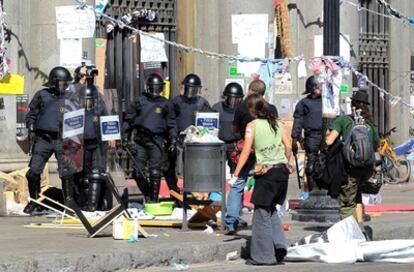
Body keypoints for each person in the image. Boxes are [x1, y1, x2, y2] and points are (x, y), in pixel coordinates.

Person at [232, 94, 292, 265]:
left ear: (252, 110)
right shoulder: (277, 123)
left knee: (261, 214)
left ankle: (264, 256)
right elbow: (288, 146)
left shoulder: (252, 126)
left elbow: (245, 152)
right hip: (282, 172)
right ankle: (279, 246)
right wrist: (286, 162)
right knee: (271, 209)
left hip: (266, 173)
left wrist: (236, 174)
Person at [225, 79, 278, 234]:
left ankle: (231, 221)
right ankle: (264, 220)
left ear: (249, 91)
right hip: (267, 151)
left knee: (238, 183)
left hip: (246, 150)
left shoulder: (242, 107)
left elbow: (234, 129)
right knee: (264, 185)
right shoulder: (272, 108)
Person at [325, 88, 380, 237]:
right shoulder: (369, 124)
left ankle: (351, 235)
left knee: (346, 202)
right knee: (357, 196)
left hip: (352, 167)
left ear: (352, 105)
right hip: (367, 168)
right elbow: (376, 146)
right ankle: (361, 230)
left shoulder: (344, 120)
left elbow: (329, 141)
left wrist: (326, 135)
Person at [24, 66, 75, 214]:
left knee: (66, 172)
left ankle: (69, 204)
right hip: (44, 139)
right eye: (62, 82)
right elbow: (31, 114)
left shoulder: (71, 98)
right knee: (33, 172)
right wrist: (31, 125)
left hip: (63, 140)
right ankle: (35, 201)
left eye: (67, 83)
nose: (65, 86)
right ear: (54, 82)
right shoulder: (42, 95)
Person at [123, 73, 177, 203]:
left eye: (158, 88)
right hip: (141, 139)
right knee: (137, 172)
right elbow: (128, 121)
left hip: (157, 140)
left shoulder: (166, 104)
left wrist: (173, 139)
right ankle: (147, 193)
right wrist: (125, 136)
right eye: (153, 87)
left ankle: (153, 200)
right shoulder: (139, 101)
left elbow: (171, 123)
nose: (155, 91)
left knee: (155, 172)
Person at [165, 74, 211, 192]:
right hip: (179, 139)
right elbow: (171, 121)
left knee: (193, 168)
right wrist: (173, 137)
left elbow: (209, 123)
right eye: (189, 89)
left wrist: (201, 133)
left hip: (196, 141)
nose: (191, 92)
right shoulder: (176, 102)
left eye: (193, 90)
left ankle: (193, 190)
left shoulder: (202, 103)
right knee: (172, 167)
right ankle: (174, 191)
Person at [78, 84, 116, 211]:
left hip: (97, 144)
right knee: (84, 176)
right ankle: (85, 202)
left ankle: (93, 205)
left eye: (89, 100)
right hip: (82, 145)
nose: (87, 102)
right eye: (84, 100)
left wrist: (111, 136)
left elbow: (108, 120)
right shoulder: (76, 109)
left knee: (96, 174)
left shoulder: (99, 107)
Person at [291, 75, 322, 190]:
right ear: (312, 88)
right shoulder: (303, 103)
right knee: (311, 166)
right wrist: (295, 138)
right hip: (311, 136)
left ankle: (326, 191)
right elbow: (298, 121)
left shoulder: (327, 101)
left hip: (326, 135)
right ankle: (313, 191)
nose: (320, 88)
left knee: (325, 164)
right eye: (318, 86)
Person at [212, 82, 244, 173]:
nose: (233, 102)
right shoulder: (217, 108)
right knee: (216, 171)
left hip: (235, 145)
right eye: (231, 99)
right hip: (219, 144)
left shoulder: (243, 109)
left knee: (236, 172)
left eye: (236, 99)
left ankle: (236, 186)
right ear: (226, 97)